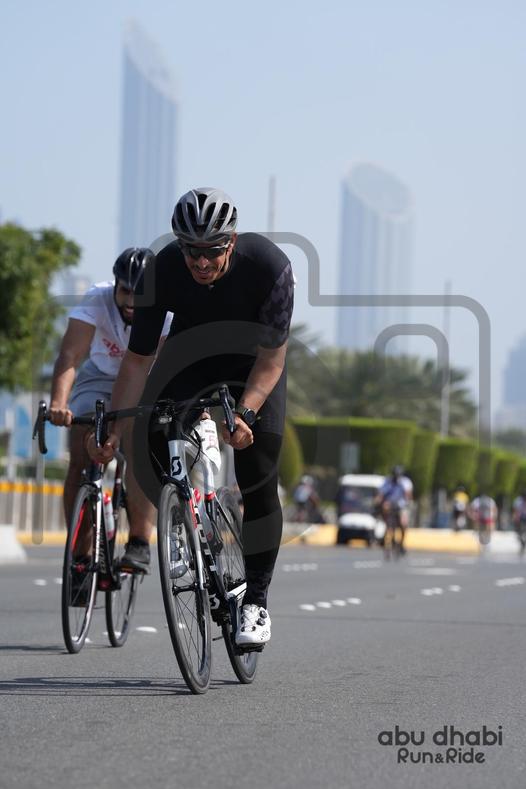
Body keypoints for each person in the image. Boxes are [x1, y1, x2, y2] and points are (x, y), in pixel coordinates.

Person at [87, 187, 294, 647]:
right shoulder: (161, 270)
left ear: (231, 242)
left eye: (211, 251)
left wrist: (245, 413)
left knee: (259, 474)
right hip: (190, 356)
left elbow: (272, 360)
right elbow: (137, 361)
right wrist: (114, 431)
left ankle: (256, 602)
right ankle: (184, 519)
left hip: (252, 366)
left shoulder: (270, 267)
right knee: (148, 434)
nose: (200, 261)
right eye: (190, 250)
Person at [49, 247, 172, 562]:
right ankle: (80, 555)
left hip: (145, 381)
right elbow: (70, 356)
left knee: (138, 446)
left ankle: (139, 541)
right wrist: (59, 403)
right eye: (125, 291)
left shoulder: (167, 308)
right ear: (115, 285)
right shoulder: (97, 297)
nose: (131, 301)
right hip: (100, 377)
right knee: (80, 450)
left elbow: (169, 367)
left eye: (138, 294)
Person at [376, 465, 413, 553]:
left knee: (403, 524)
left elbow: (408, 495)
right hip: (389, 505)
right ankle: (388, 533)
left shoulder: (404, 482)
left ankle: (401, 543)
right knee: (386, 515)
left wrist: (407, 501)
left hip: (401, 506)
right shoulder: (387, 481)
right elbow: (381, 493)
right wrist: (379, 501)